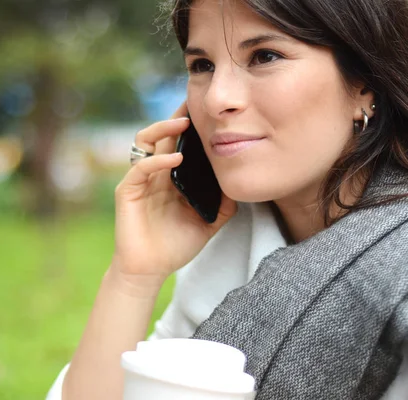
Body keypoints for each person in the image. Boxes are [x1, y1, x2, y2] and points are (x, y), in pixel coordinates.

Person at [48, 0, 408, 398]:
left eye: (264, 56)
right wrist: (133, 276)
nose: (218, 98)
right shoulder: (230, 235)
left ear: (364, 83)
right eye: (202, 65)